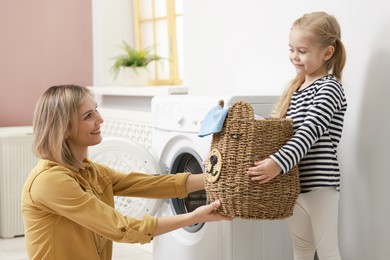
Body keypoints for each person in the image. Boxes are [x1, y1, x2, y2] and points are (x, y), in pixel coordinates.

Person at [21, 85, 231, 260]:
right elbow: (119, 227)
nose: (100, 119)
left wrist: (214, 179)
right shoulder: (49, 181)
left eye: (96, 109)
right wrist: (191, 217)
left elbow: (151, 184)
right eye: (88, 115)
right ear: (64, 128)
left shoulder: (90, 171)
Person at [247, 12, 347, 260]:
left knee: (327, 251)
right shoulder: (296, 86)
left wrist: (277, 164)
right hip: (294, 183)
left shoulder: (329, 88)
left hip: (320, 184)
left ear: (327, 53)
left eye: (302, 51)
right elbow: (282, 130)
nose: (294, 56)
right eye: (291, 49)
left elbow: (309, 132)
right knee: (301, 250)